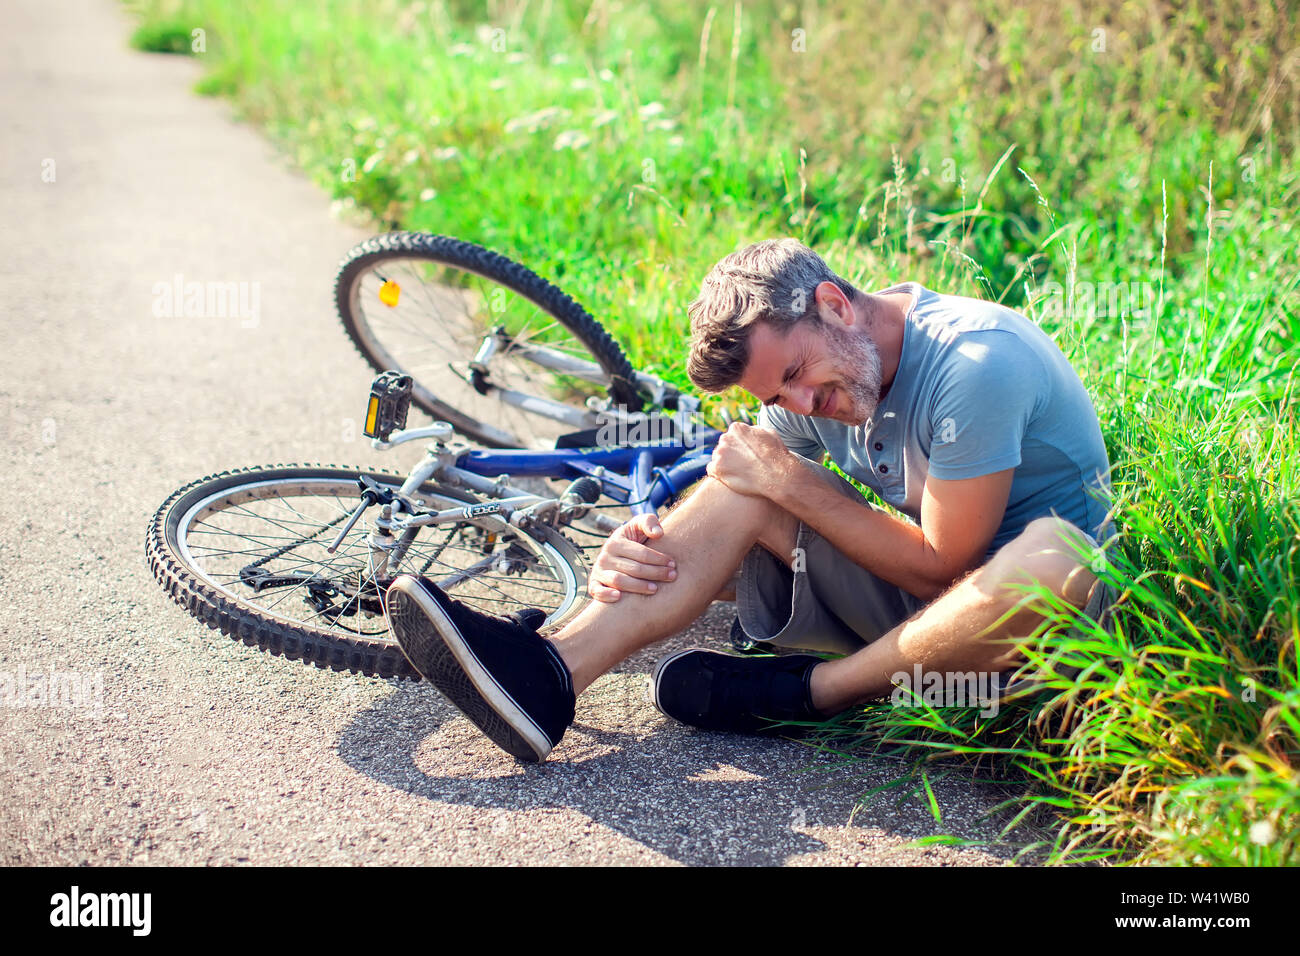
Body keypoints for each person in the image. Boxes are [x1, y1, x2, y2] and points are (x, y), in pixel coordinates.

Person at [382, 238, 1117, 763]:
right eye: (776, 393)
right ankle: (548, 670)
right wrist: (640, 548)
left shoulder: (976, 365)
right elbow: (740, 510)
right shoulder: (809, 383)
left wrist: (790, 481)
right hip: (916, 616)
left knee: (1058, 554)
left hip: (1035, 636)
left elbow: (939, 568)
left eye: (797, 372)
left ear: (835, 304)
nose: (801, 403)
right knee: (741, 482)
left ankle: (814, 693)